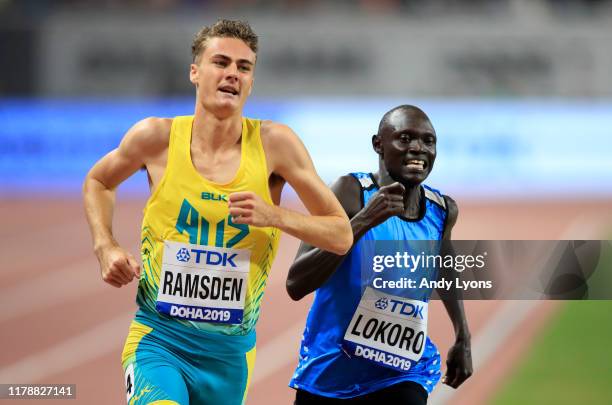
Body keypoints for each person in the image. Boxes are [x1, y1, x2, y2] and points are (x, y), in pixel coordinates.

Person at [82, 19, 352, 405]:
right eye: (221, 63)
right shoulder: (155, 138)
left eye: (244, 68)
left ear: (252, 81)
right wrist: (105, 246)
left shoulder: (276, 145)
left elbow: (341, 235)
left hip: (230, 356)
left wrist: (275, 215)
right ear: (195, 72)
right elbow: (99, 182)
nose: (232, 74)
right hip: (159, 340)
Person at [286, 105, 473, 404]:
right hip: (330, 373)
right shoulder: (350, 192)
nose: (418, 149)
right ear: (378, 144)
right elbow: (296, 283)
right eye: (405, 138)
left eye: (428, 141)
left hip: (401, 373)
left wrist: (463, 336)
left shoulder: (442, 210)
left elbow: (444, 266)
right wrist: (362, 221)